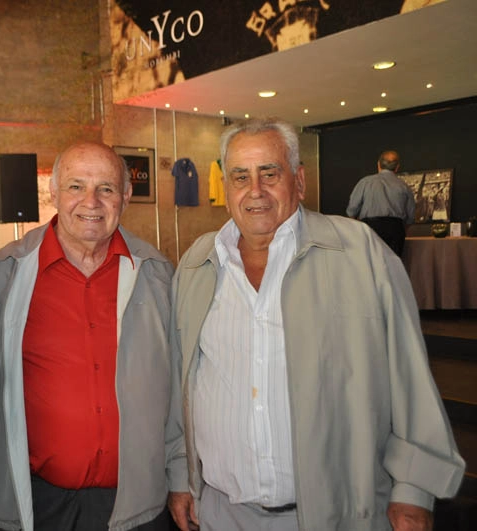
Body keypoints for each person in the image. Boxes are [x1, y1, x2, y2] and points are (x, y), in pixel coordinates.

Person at [169, 118, 464, 531]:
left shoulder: (361, 255)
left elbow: (410, 376)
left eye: (269, 173)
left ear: (299, 181)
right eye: (240, 176)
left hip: (334, 515)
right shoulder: (197, 265)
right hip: (221, 513)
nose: (254, 190)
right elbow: (182, 382)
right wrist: (181, 471)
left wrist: (413, 490)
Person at [0, 141, 188, 531]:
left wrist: (182, 477)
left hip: (139, 504)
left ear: (125, 195)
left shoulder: (157, 275)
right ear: (53, 192)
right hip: (39, 504)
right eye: (75, 186)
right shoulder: (2, 276)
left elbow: (179, 392)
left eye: (106, 188)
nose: (92, 201)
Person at [346, 150, 415, 255]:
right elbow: (410, 218)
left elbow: (351, 211)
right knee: (393, 267)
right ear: (397, 167)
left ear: (378, 164)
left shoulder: (365, 182)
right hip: (395, 230)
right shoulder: (404, 186)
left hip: (370, 228)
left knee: (370, 266)